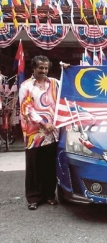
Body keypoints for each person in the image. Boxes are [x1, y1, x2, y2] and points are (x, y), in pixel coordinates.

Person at [19, 56, 67, 210]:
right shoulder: (26, 86)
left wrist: (67, 70)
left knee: (49, 166)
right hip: (34, 135)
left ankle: (49, 195)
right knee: (34, 166)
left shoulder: (55, 83)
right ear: (34, 68)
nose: (44, 71)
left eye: (46, 68)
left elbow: (68, 89)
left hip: (53, 134)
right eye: (41, 68)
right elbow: (26, 109)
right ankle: (33, 197)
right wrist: (44, 123)